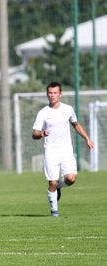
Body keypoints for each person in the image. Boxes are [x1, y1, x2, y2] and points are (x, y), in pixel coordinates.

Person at [32, 81, 95, 217]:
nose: (52, 95)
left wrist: (87, 138)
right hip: (51, 151)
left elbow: (76, 124)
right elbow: (34, 133)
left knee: (71, 179)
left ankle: (59, 187)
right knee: (52, 182)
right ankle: (54, 212)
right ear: (47, 94)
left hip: (66, 150)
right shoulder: (43, 113)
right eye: (50, 93)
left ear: (60, 94)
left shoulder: (68, 109)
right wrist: (42, 133)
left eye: (55, 93)